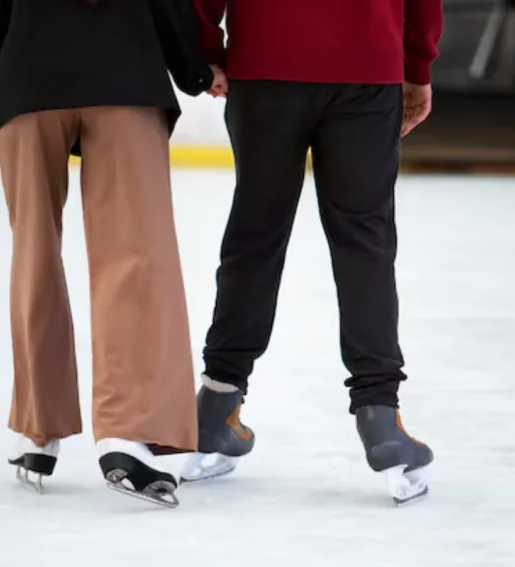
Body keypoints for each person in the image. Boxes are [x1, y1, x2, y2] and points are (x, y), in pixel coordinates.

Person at [0, 0, 228, 508]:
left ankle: (38, 431)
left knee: (34, 251)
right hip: (124, 71)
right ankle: (127, 432)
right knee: (136, 253)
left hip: (30, 76)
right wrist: (193, 66)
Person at [179, 0, 443, 506]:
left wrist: (206, 49)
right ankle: (380, 418)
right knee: (364, 244)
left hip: (265, 69)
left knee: (254, 237)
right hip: (367, 68)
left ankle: (216, 406)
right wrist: (416, 65)